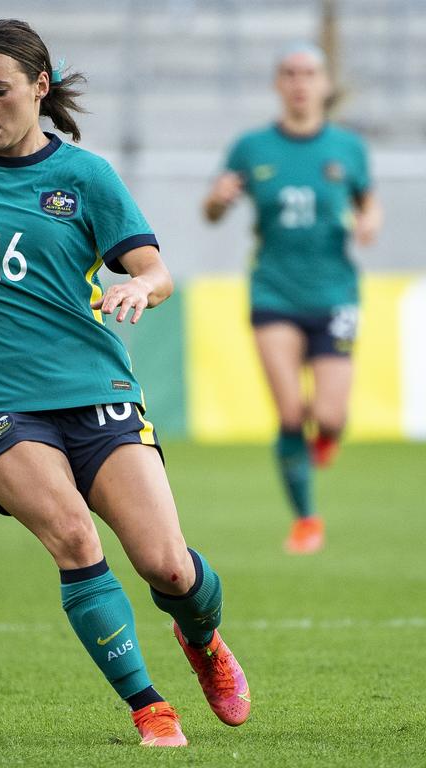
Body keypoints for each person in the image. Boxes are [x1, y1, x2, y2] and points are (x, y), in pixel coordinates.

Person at [0, 18, 250, 748]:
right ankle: (151, 709)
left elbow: (156, 270)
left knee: (168, 568)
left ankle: (203, 639)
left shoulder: (86, 177)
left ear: (39, 88)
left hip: (97, 395)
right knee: (75, 539)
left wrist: (139, 290)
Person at [203, 43, 383, 555]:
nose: (300, 82)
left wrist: (369, 220)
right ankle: (306, 519)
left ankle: (325, 437)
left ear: (325, 85)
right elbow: (214, 209)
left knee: (328, 416)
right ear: (278, 85)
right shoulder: (251, 147)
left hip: (336, 295)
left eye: (309, 74)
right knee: (288, 413)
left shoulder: (347, 148)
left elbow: (369, 201)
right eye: (289, 74)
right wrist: (216, 201)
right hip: (274, 292)